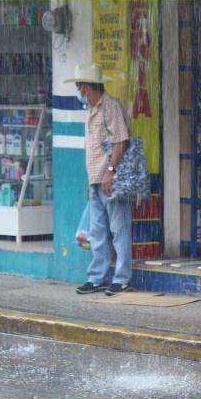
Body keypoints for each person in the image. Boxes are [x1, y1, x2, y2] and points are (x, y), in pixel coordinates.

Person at [66, 63, 133, 297]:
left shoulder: (110, 107)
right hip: (95, 180)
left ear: (86, 87)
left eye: (79, 86)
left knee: (119, 228)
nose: (78, 91)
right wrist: (90, 183)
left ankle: (122, 278)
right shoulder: (91, 111)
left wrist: (111, 171)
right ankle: (97, 277)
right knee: (98, 231)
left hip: (109, 179)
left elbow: (120, 141)